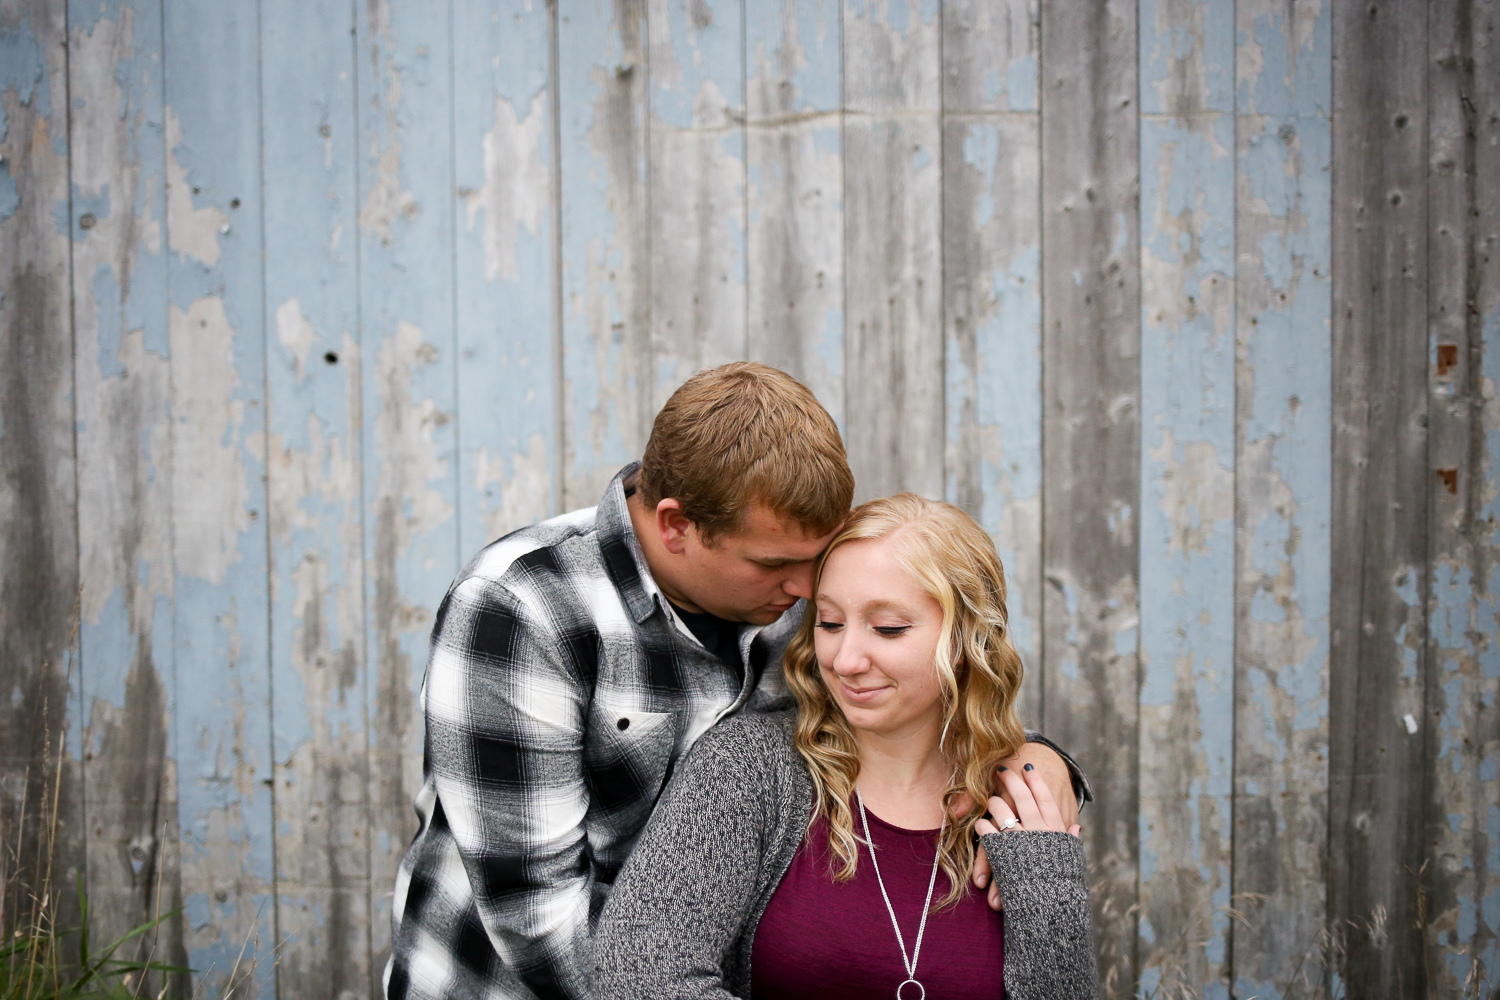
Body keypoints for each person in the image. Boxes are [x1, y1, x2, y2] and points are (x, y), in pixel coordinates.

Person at [383, 363, 855, 1000]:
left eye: (816, 559)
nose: (806, 589)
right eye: (774, 564)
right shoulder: (521, 607)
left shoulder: (792, 601)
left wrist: (1032, 763)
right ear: (675, 525)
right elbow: (539, 917)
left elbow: (922, 706)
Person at [593, 494, 1100, 1000]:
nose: (845, 659)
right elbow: (638, 976)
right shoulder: (749, 769)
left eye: (887, 628)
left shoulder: (1022, 800)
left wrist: (1046, 883)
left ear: (969, 638)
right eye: (830, 623)